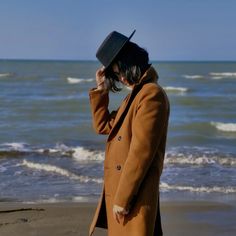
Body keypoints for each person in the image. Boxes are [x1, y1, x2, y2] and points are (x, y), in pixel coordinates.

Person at [89, 30, 170, 236]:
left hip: (134, 197)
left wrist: (123, 198)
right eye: (115, 75)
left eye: (119, 71)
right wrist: (101, 89)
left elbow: (141, 152)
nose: (121, 78)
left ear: (130, 63)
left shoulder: (151, 95)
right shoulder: (135, 96)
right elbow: (104, 126)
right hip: (125, 196)